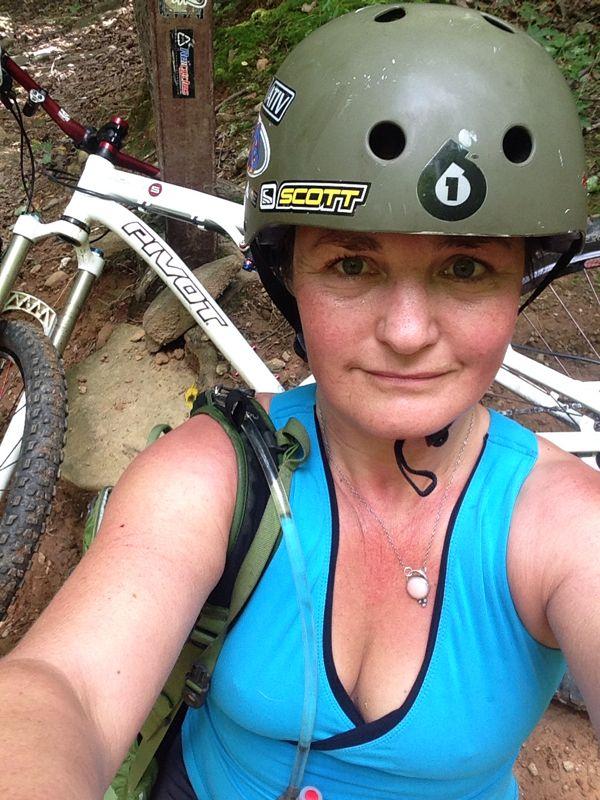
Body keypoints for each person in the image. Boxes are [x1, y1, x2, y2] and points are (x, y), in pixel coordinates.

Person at [0, 4, 598, 799]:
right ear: (290, 277)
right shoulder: (216, 475)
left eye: (465, 269)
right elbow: (58, 687)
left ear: (519, 282)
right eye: (353, 265)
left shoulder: (565, 527)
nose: (409, 331)